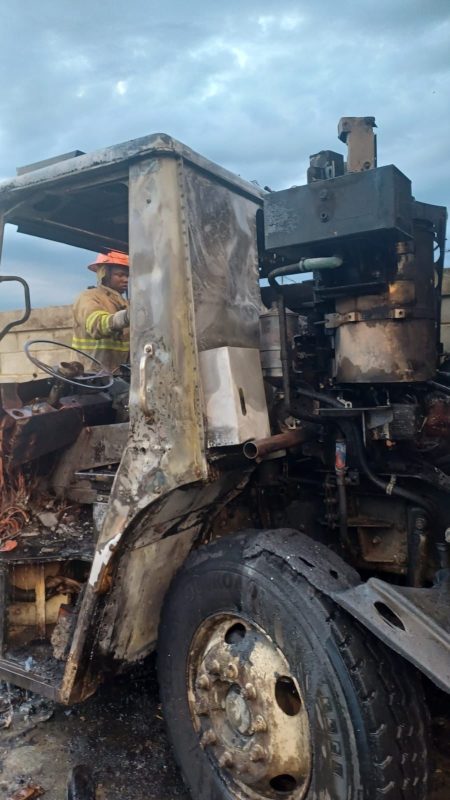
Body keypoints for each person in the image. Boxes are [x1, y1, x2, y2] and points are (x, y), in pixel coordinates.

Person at [72, 251, 130, 373]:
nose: (126, 279)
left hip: (119, 377)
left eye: (128, 276)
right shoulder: (88, 297)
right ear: (104, 274)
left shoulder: (124, 303)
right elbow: (96, 324)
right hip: (91, 377)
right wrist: (125, 318)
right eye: (120, 275)